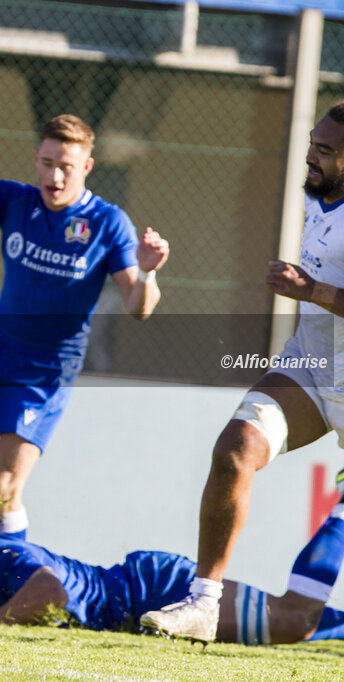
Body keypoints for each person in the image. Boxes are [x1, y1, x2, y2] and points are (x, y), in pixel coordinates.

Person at [0, 98, 170, 537]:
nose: (55, 176)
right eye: (48, 163)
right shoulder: (17, 201)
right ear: (35, 159)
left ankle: (7, 588)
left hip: (46, 370)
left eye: (66, 167)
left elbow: (139, 307)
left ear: (87, 166)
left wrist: (147, 272)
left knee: (4, 491)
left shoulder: (108, 223)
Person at [141, 101, 344, 643]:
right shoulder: (317, 195)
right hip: (311, 364)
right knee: (235, 449)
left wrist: (311, 291)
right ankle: (203, 604)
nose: (310, 156)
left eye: (324, 150)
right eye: (312, 143)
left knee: (305, 606)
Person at [0, 501, 344, 645]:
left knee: (292, 622)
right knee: (292, 622)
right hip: (137, 599)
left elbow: (52, 593)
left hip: (152, 589)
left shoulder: (0, 555)